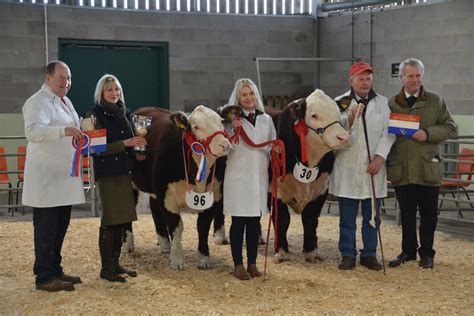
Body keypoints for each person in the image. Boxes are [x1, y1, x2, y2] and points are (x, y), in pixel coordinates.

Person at [387, 58, 457, 269]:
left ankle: (427, 253)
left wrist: (427, 133)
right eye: (410, 75)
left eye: (418, 75)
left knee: (428, 215)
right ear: (401, 78)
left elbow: (451, 128)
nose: (415, 80)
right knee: (406, 214)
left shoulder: (435, 102)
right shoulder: (391, 104)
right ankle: (407, 252)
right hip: (402, 168)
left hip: (428, 167)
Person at [22, 61, 85, 292]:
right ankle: (44, 276)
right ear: (47, 78)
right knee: (46, 228)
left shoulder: (65, 101)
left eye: (68, 78)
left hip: (63, 177)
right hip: (46, 177)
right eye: (61, 78)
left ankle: (55, 269)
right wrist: (64, 131)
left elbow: (74, 128)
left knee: (60, 226)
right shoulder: (37, 102)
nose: (66, 83)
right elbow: (33, 131)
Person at [330, 62, 395, 271]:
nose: (365, 83)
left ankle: (369, 253)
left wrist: (379, 157)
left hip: (372, 168)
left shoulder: (383, 103)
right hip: (347, 168)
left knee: (372, 217)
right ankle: (347, 253)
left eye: (368, 78)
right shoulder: (339, 103)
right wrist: (349, 117)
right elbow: (333, 132)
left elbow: (388, 133)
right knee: (347, 217)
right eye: (361, 78)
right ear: (351, 81)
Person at [84, 74, 147, 282]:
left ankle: (115, 262)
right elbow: (96, 149)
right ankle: (106, 268)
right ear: (101, 93)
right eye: (109, 90)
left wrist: (137, 150)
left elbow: (131, 143)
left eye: (117, 89)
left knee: (122, 220)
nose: (114, 93)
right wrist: (126, 144)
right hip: (108, 174)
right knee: (111, 221)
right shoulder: (93, 115)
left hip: (124, 171)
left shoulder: (126, 114)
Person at [222, 78, 276, 280]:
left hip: (258, 178)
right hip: (238, 177)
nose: (249, 98)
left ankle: (252, 263)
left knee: (254, 223)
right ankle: (238, 264)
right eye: (244, 94)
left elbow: (270, 144)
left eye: (251, 93)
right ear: (238, 98)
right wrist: (234, 130)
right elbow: (224, 149)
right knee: (238, 222)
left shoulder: (266, 120)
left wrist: (276, 149)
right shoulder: (229, 122)